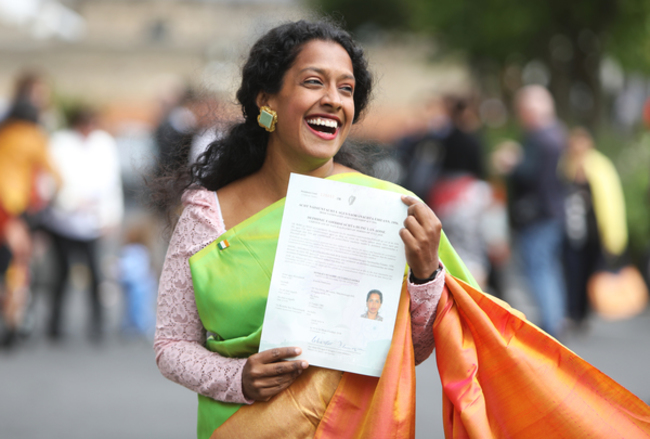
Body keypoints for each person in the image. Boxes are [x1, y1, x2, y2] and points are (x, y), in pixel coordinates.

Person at [152, 20, 456, 438]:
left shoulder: (383, 210)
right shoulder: (208, 215)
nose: (333, 100)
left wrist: (425, 276)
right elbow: (171, 345)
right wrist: (238, 377)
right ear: (267, 101)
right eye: (314, 82)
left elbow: (411, 350)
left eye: (346, 89)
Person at [40, 106, 124, 341]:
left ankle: (98, 326)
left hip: (93, 222)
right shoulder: (60, 143)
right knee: (61, 274)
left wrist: (111, 215)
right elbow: (52, 178)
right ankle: (54, 326)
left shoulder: (103, 144)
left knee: (97, 274)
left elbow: (112, 183)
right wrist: (70, 201)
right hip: (64, 221)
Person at [492, 85, 567, 338]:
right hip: (551, 212)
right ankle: (554, 319)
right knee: (547, 267)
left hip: (538, 214)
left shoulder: (540, 138)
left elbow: (530, 175)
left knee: (539, 268)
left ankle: (551, 324)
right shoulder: (557, 135)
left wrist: (511, 163)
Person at [0, 72, 60, 348]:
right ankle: (14, 320)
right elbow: (57, 176)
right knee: (19, 265)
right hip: (16, 209)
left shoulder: (4, 133)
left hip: (4, 206)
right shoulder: (35, 136)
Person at [560, 127, 628, 327]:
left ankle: (584, 313)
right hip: (571, 232)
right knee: (572, 272)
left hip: (593, 232)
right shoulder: (564, 166)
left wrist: (614, 236)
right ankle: (573, 312)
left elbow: (611, 202)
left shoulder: (599, 166)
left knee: (590, 272)